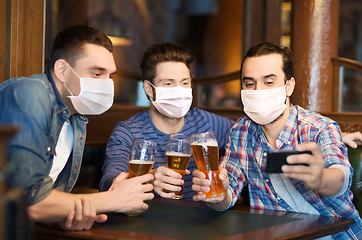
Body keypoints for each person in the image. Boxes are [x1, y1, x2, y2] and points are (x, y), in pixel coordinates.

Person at [192, 42, 362, 239]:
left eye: (269, 82)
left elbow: (340, 177)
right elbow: (226, 191)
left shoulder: (320, 128)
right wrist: (217, 195)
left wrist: (320, 178)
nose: (258, 90)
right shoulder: (241, 131)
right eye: (249, 83)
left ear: (288, 86)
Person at [0, 25, 154, 231]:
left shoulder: (76, 119)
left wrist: (67, 213)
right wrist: (113, 199)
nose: (108, 84)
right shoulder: (29, 92)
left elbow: (46, 203)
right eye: (97, 73)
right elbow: (28, 200)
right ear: (62, 70)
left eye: (110, 75)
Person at [99, 42, 234, 200]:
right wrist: (149, 178)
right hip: (147, 221)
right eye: (169, 83)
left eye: (185, 83)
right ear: (149, 89)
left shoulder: (205, 122)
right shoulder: (128, 132)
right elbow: (108, 185)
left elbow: (246, 134)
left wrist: (226, 173)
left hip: (201, 219)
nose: (179, 91)